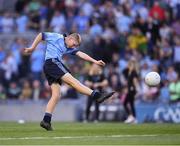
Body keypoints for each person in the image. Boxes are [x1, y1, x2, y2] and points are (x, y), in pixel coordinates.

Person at [24, 32, 114, 131]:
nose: (74, 46)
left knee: (56, 95)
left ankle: (46, 120)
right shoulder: (57, 37)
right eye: (74, 44)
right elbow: (41, 35)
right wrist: (32, 48)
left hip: (49, 66)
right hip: (53, 63)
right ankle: (97, 95)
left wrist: (95, 61)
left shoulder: (68, 47)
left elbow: (80, 53)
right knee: (73, 82)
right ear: (70, 38)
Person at [122, 59, 139, 123]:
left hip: (132, 90)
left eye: (130, 65)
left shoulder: (133, 72)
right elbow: (123, 71)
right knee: (131, 104)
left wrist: (137, 89)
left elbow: (135, 81)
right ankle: (134, 118)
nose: (128, 66)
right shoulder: (129, 72)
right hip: (130, 90)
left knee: (125, 103)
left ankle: (130, 116)